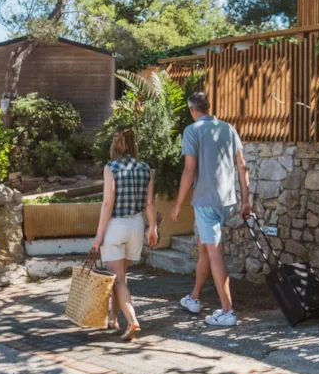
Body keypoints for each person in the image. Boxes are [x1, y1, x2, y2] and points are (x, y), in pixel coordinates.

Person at [171, 91, 250, 327]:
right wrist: (246, 200)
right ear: (209, 107)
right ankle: (194, 297)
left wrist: (178, 205)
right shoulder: (229, 129)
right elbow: (242, 166)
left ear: (192, 110)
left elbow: (189, 171)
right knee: (205, 247)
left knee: (214, 251)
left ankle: (227, 311)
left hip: (206, 201)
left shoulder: (192, 130)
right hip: (227, 200)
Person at [92, 126, 158, 340]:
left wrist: (99, 235)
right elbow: (150, 202)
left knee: (118, 279)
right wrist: (153, 227)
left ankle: (132, 321)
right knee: (120, 277)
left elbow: (107, 204)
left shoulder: (111, 168)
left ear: (115, 144)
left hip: (116, 227)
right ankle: (113, 319)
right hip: (137, 226)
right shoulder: (145, 168)